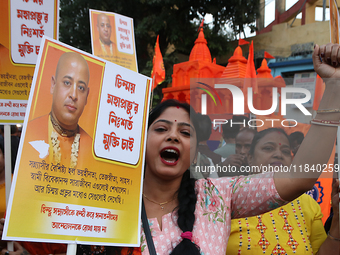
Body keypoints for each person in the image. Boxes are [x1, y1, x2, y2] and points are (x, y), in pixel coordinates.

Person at [226, 128, 339, 254]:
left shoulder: (307, 203)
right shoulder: (227, 198)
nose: (278, 154)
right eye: (268, 148)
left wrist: (337, 222)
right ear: (250, 158)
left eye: (285, 151)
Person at [25, 52, 92, 169]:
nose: (73, 95)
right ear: (53, 84)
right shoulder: (29, 134)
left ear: (87, 95)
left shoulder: (93, 150)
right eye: (67, 83)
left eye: (81, 88)